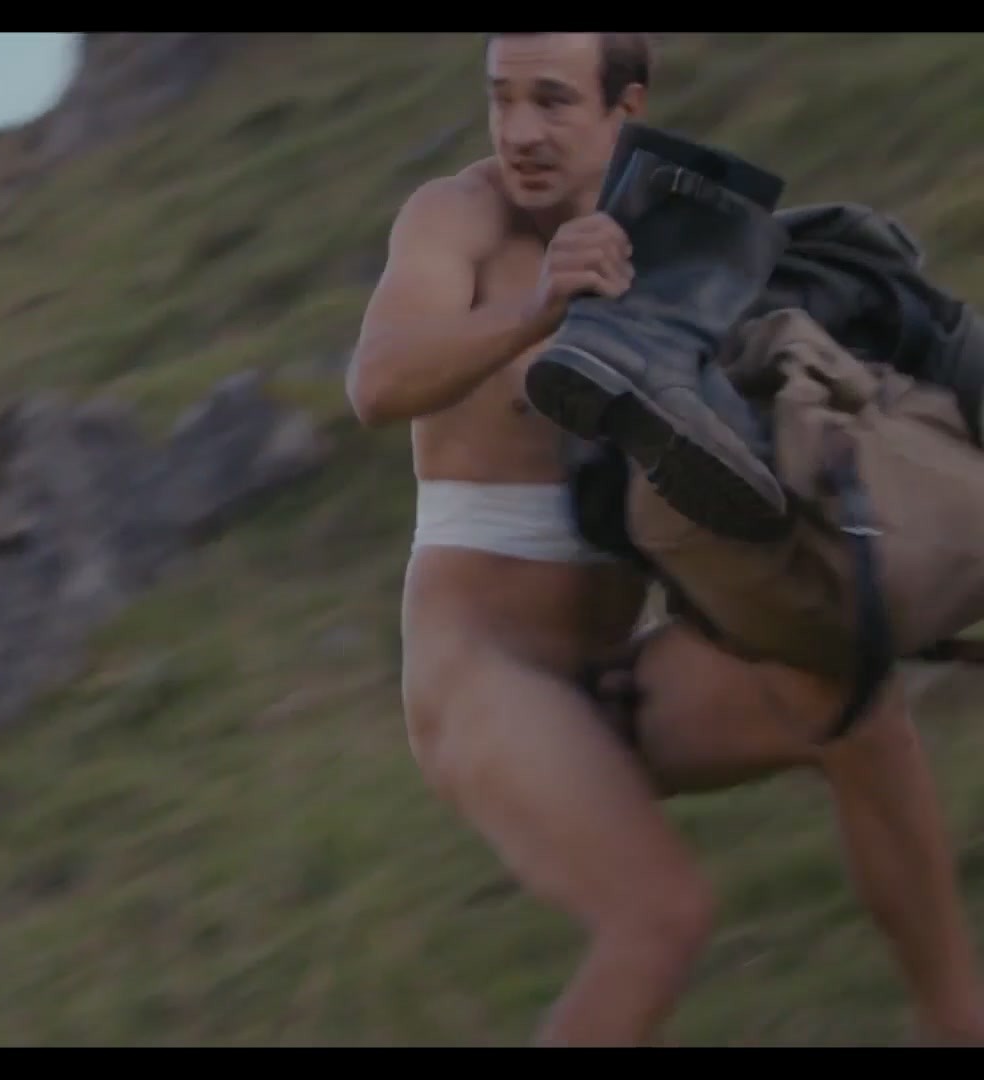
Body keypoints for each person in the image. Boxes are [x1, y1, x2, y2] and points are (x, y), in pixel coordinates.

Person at [346, 30, 984, 1044]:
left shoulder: (677, 234)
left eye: (553, 100)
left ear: (627, 107)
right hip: (482, 669)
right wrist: (539, 307)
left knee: (856, 705)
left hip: (618, 667)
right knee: (661, 919)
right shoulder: (456, 215)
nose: (520, 130)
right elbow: (377, 382)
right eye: (502, 97)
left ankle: (957, 1025)